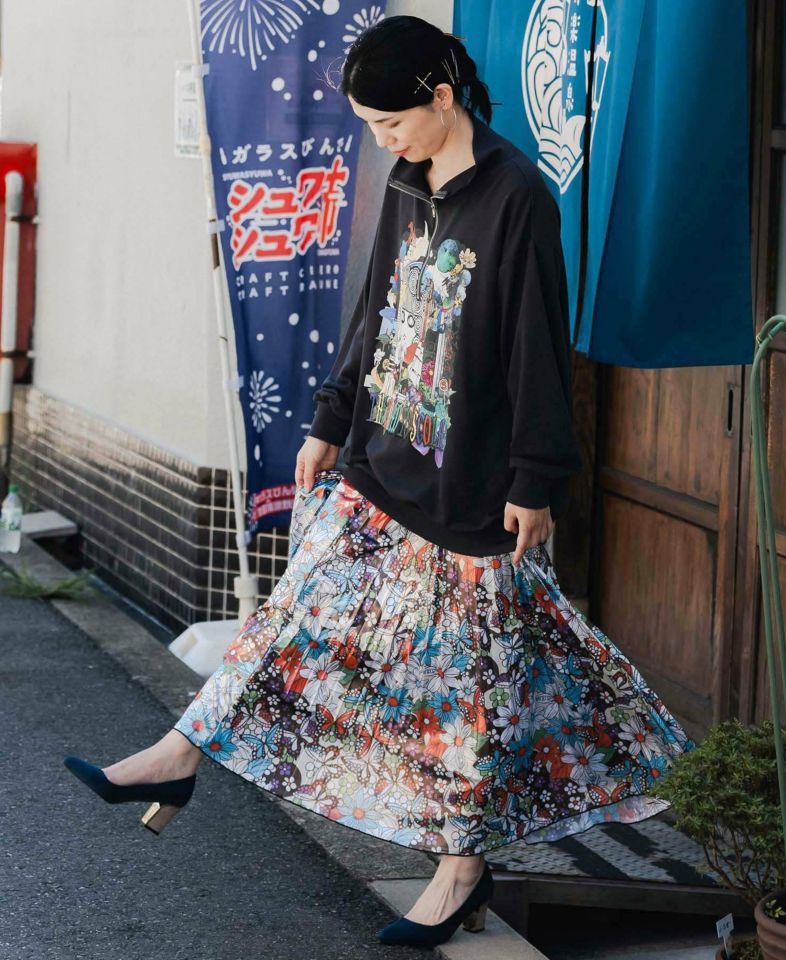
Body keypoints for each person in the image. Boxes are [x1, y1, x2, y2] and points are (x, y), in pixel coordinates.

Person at [63, 15, 696, 950]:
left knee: (469, 695)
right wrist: (329, 418)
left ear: (442, 96)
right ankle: (177, 755)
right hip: (379, 464)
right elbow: (376, 307)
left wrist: (535, 477)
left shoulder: (518, 196)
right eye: (369, 126)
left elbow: (536, 343)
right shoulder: (408, 182)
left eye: (391, 122)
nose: (383, 142)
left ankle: (459, 874)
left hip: (470, 488)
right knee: (292, 622)